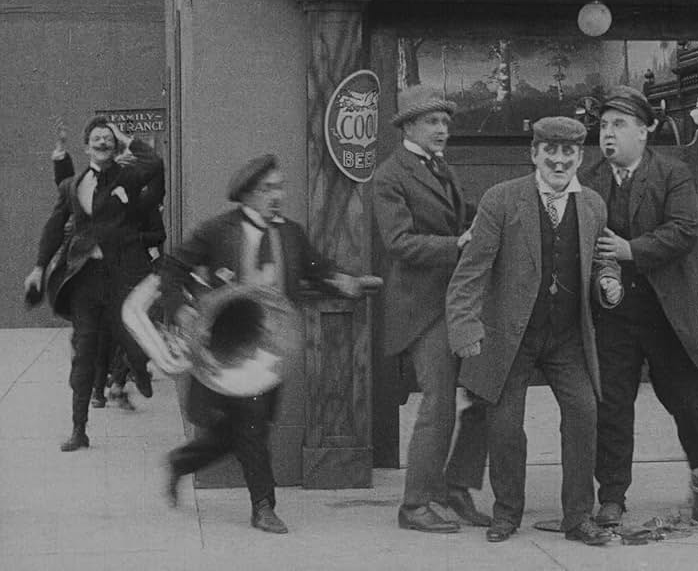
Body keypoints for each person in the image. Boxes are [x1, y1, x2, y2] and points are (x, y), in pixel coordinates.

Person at [164, 153, 367, 534]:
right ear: (246, 194)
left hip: (268, 350)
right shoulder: (217, 230)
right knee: (252, 428)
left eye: (279, 187)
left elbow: (314, 266)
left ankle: (181, 462)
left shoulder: (290, 233)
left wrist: (339, 279)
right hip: (226, 347)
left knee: (241, 432)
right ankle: (263, 506)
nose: (277, 195)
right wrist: (180, 309)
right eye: (267, 189)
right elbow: (171, 267)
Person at [446, 116, 623, 545]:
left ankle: (578, 518)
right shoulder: (502, 200)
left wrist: (608, 282)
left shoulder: (594, 205)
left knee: (583, 415)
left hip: (566, 337)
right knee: (505, 425)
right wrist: (465, 326)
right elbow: (471, 272)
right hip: (510, 337)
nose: (559, 161)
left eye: (568, 153)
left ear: (581, 157)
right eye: (551, 151)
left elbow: (603, 260)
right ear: (534, 154)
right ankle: (506, 514)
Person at [578, 85, 698, 527]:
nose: (608, 135)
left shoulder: (672, 173)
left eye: (619, 125)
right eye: (604, 126)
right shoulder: (589, 180)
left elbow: (684, 231)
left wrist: (630, 250)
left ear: (643, 132)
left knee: (690, 405)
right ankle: (613, 499)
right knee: (613, 407)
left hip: (668, 315)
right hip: (613, 317)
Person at [373, 85, 489, 534]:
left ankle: (454, 488)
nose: (442, 128)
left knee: (483, 393)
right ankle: (415, 504)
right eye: (432, 121)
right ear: (407, 127)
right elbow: (399, 244)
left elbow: (462, 218)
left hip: (457, 301)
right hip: (422, 308)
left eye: (445, 121)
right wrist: (456, 245)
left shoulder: (441, 167)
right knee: (439, 403)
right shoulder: (390, 176)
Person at [24, 116, 163, 451]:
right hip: (86, 279)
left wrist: (124, 137)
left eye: (108, 139)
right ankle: (79, 430)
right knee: (85, 352)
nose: (103, 143)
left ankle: (140, 372)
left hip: (122, 275)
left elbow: (154, 162)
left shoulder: (128, 176)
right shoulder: (72, 186)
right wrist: (40, 267)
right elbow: (55, 227)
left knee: (130, 336)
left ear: (114, 146)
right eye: (97, 139)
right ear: (86, 147)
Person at [50, 128, 167, 410]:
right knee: (100, 338)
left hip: (130, 270)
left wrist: (133, 240)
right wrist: (61, 157)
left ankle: (120, 380)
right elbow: (69, 189)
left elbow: (156, 228)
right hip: (97, 275)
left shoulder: (143, 201)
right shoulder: (95, 198)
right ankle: (102, 389)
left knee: (124, 333)